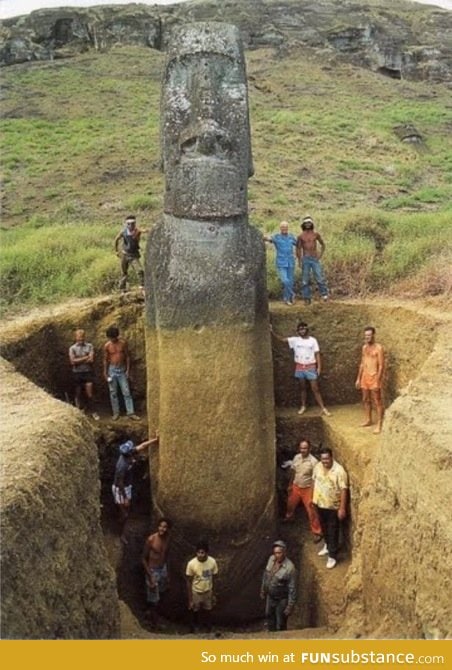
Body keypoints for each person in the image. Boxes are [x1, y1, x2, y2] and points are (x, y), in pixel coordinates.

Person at [271, 321, 331, 416]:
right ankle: (303, 406)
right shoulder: (295, 340)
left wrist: (319, 367)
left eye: (303, 329)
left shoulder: (313, 340)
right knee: (302, 388)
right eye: (300, 329)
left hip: (310, 366)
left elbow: (317, 354)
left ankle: (323, 408)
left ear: (307, 329)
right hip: (300, 366)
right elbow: (282, 340)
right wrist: (272, 332)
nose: (302, 331)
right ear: (297, 331)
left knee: (315, 388)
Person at [112, 434, 159, 543]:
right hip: (120, 489)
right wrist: (125, 498)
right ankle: (121, 533)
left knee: (125, 511)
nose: (134, 450)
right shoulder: (121, 466)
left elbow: (142, 446)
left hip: (127, 486)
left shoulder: (130, 453)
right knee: (125, 513)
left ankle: (121, 518)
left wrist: (155, 440)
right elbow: (119, 483)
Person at [312, 447, 348, 569]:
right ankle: (327, 545)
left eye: (327, 458)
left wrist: (342, 508)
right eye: (323, 459)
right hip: (320, 503)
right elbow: (314, 482)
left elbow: (344, 490)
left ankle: (332, 556)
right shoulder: (317, 467)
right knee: (324, 527)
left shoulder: (339, 471)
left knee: (333, 530)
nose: (325, 461)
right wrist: (313, 500)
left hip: (333, 506)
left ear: (331, 457)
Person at [283, 439, 323, 542]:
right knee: (290, 504)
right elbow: (293, 471)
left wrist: (314, 492)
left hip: (308, 488)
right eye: (301, 448)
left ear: (309, 449)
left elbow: (316, 478)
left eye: (305, 448)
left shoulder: (314, 462)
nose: (303, 450)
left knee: (311, 511)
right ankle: (289, 518)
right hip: (296, 486)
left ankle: (317, 532)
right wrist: (290, 484)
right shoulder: (297, 457)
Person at [103, 325, 140, 421]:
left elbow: (127, 356)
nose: (112, 339)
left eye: (114, 337)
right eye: (111, 338)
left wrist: (128, 370)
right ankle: (116, 413)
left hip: (122, 369)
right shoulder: (107, 346)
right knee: (113, 392)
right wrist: (105, 373)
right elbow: (106, 360)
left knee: (126, 391)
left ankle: (131, 412)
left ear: (117, 336)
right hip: (112, 370)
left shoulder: (123, 344)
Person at [142, 517, 172, 627]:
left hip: (162, 569)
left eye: (165, 527)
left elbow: (166, 556)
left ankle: (153, 615)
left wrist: (167, 572)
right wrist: (150, 575)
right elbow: (143, 558)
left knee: (162, 594)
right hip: (152, 570)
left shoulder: (168, 539)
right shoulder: (151, 539)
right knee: (154, 598)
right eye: (160, 526)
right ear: (157, 526)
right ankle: (154, 623)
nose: (162, 529)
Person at [260, 540, 296, 631]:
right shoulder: (271, 559)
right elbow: (266, 575)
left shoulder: (290, 568)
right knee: (269, 616)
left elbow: (292, 588)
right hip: (270, 596)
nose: (277, 555)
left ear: (284, 552)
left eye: (279, 553)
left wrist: (290, 606)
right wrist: (263, 589)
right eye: (275, 553)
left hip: (282, 599)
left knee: (281, 622)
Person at [355, 326, 385, 434]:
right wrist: (358, 378)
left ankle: (379, 424)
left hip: (374, 376)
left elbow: (381, 365)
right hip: (365, 376)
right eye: (366, 335)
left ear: (373, 335)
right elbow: (362, 363)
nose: (367, 337)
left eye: (369, 335)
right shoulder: (364, 348)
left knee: (377, 401)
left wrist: (378, 380)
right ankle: (368, 419)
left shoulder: (379, 348)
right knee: (365, 399)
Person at [185, 540, 219, 633]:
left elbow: (215, 578)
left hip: (208, 591)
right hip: (196, 591)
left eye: (202, 552)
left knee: (208, 610)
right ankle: (194, 628)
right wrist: (190, 599)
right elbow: (188, 581)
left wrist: (214, 594)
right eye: (198, 552)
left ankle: (208, 628)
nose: (200, 555)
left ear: (206, 553)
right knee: (194, 610)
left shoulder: (212, 562)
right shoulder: (191, 563)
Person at [296, 216, 329, 305]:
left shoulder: (316, 234)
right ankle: (307, 298)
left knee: (319, 277)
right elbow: (298, 248)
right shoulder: (300, 236)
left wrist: (320, 255)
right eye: (306, 223)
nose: (308, 225)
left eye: (309, 223)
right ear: (303, 225)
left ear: (312, 224)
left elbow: (323, 244)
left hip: (314, 259)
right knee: (305, 280)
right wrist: (299, 260)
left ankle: (324, 295)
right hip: (305, 259)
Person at [68, 328, 99, 420]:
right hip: (77, 374)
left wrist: (79, 359)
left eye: (82, 338)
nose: (81, 339)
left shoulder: (89, 346)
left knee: (89, 393)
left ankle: (94, 412)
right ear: (76, 337)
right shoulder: (72, 348)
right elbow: (72, 362)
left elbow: (91, 359)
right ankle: (79, 412)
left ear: (84, 337)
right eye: (79, 338)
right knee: (78, 393)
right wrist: (86, 357)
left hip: (87, 373)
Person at [264, 221, 297, 305]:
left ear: (288, 228)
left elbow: (299, 244)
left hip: (291, 262)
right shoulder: (277, 237)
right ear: (280, 228)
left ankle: (287, 299)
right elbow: (268, 239)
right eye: (282, 227)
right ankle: (292, 294)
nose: (284, 229)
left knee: (290, 281)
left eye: (286, 227)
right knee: (285, 280)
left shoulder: (291, 237)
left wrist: (298, 255)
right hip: (281, 262)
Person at [114, 215, 146, 291]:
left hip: (133, 255)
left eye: (132, 223)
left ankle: (142, 286)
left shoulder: (137, 231)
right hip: (124, 254)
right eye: (129, 224)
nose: (131, 225)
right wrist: (116, 251)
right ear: (126, 224)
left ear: (135, 223)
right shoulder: (123, 232)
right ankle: (122, 289)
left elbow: (145, 230)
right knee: (123, 273)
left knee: (139, 271)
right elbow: (116, 239)